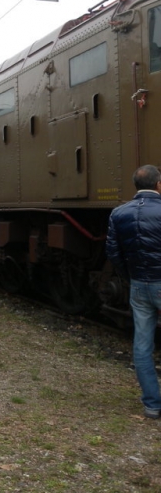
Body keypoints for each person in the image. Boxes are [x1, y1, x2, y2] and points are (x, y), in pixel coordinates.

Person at [106, 165, 161, 419]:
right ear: (158, 184)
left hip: (139, 284)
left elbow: (114, 253)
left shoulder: (119, 213)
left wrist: (130, 277)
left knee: (142, 346)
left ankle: (152, 404)